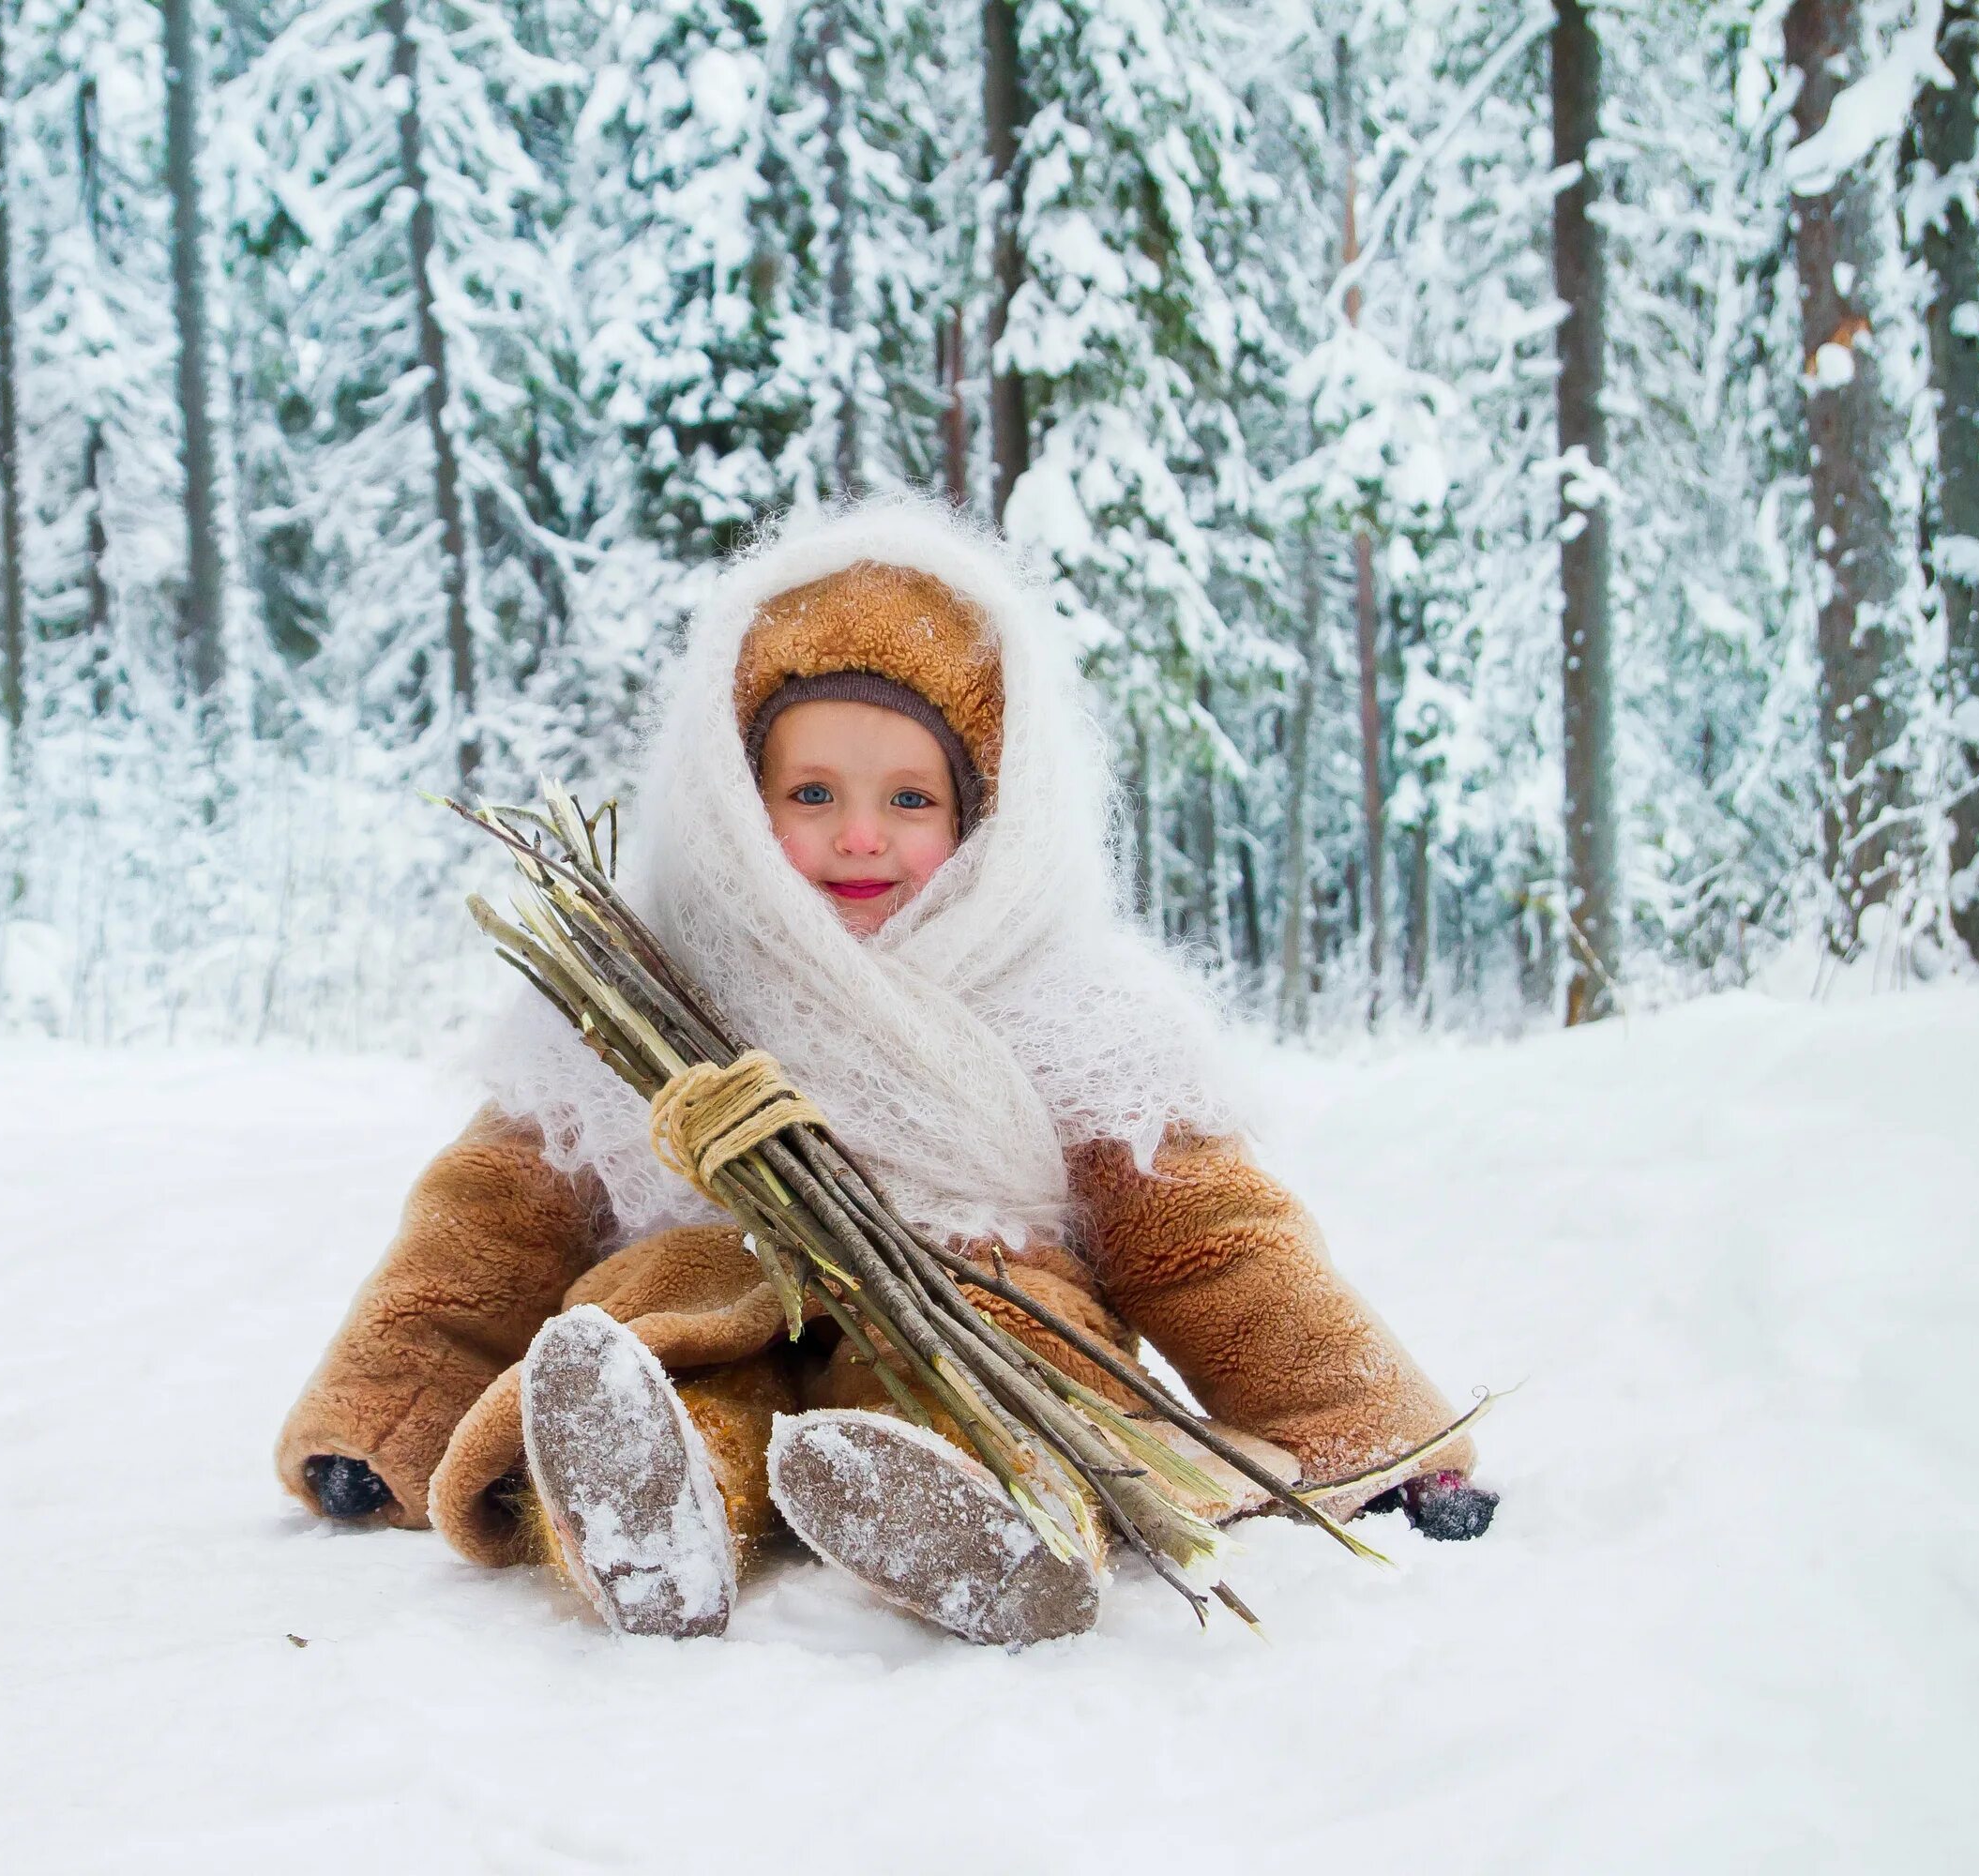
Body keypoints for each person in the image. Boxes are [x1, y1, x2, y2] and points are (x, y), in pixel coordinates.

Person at [276, 500, 1493, 1646]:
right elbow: (489, 1214)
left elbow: (1214, 1239)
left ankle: (995, 1507)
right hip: (706, 1296)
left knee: (1014, 1372)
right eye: (812, 793)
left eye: (909, 797)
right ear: (735, 803)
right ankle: (647, 1503)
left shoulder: (1070, 1000)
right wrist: (385, 1414)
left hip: (978, 1312)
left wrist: (1375, 1431)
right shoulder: (656, 988)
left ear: (986, 810)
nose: (861, 835)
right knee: (640, 1357)